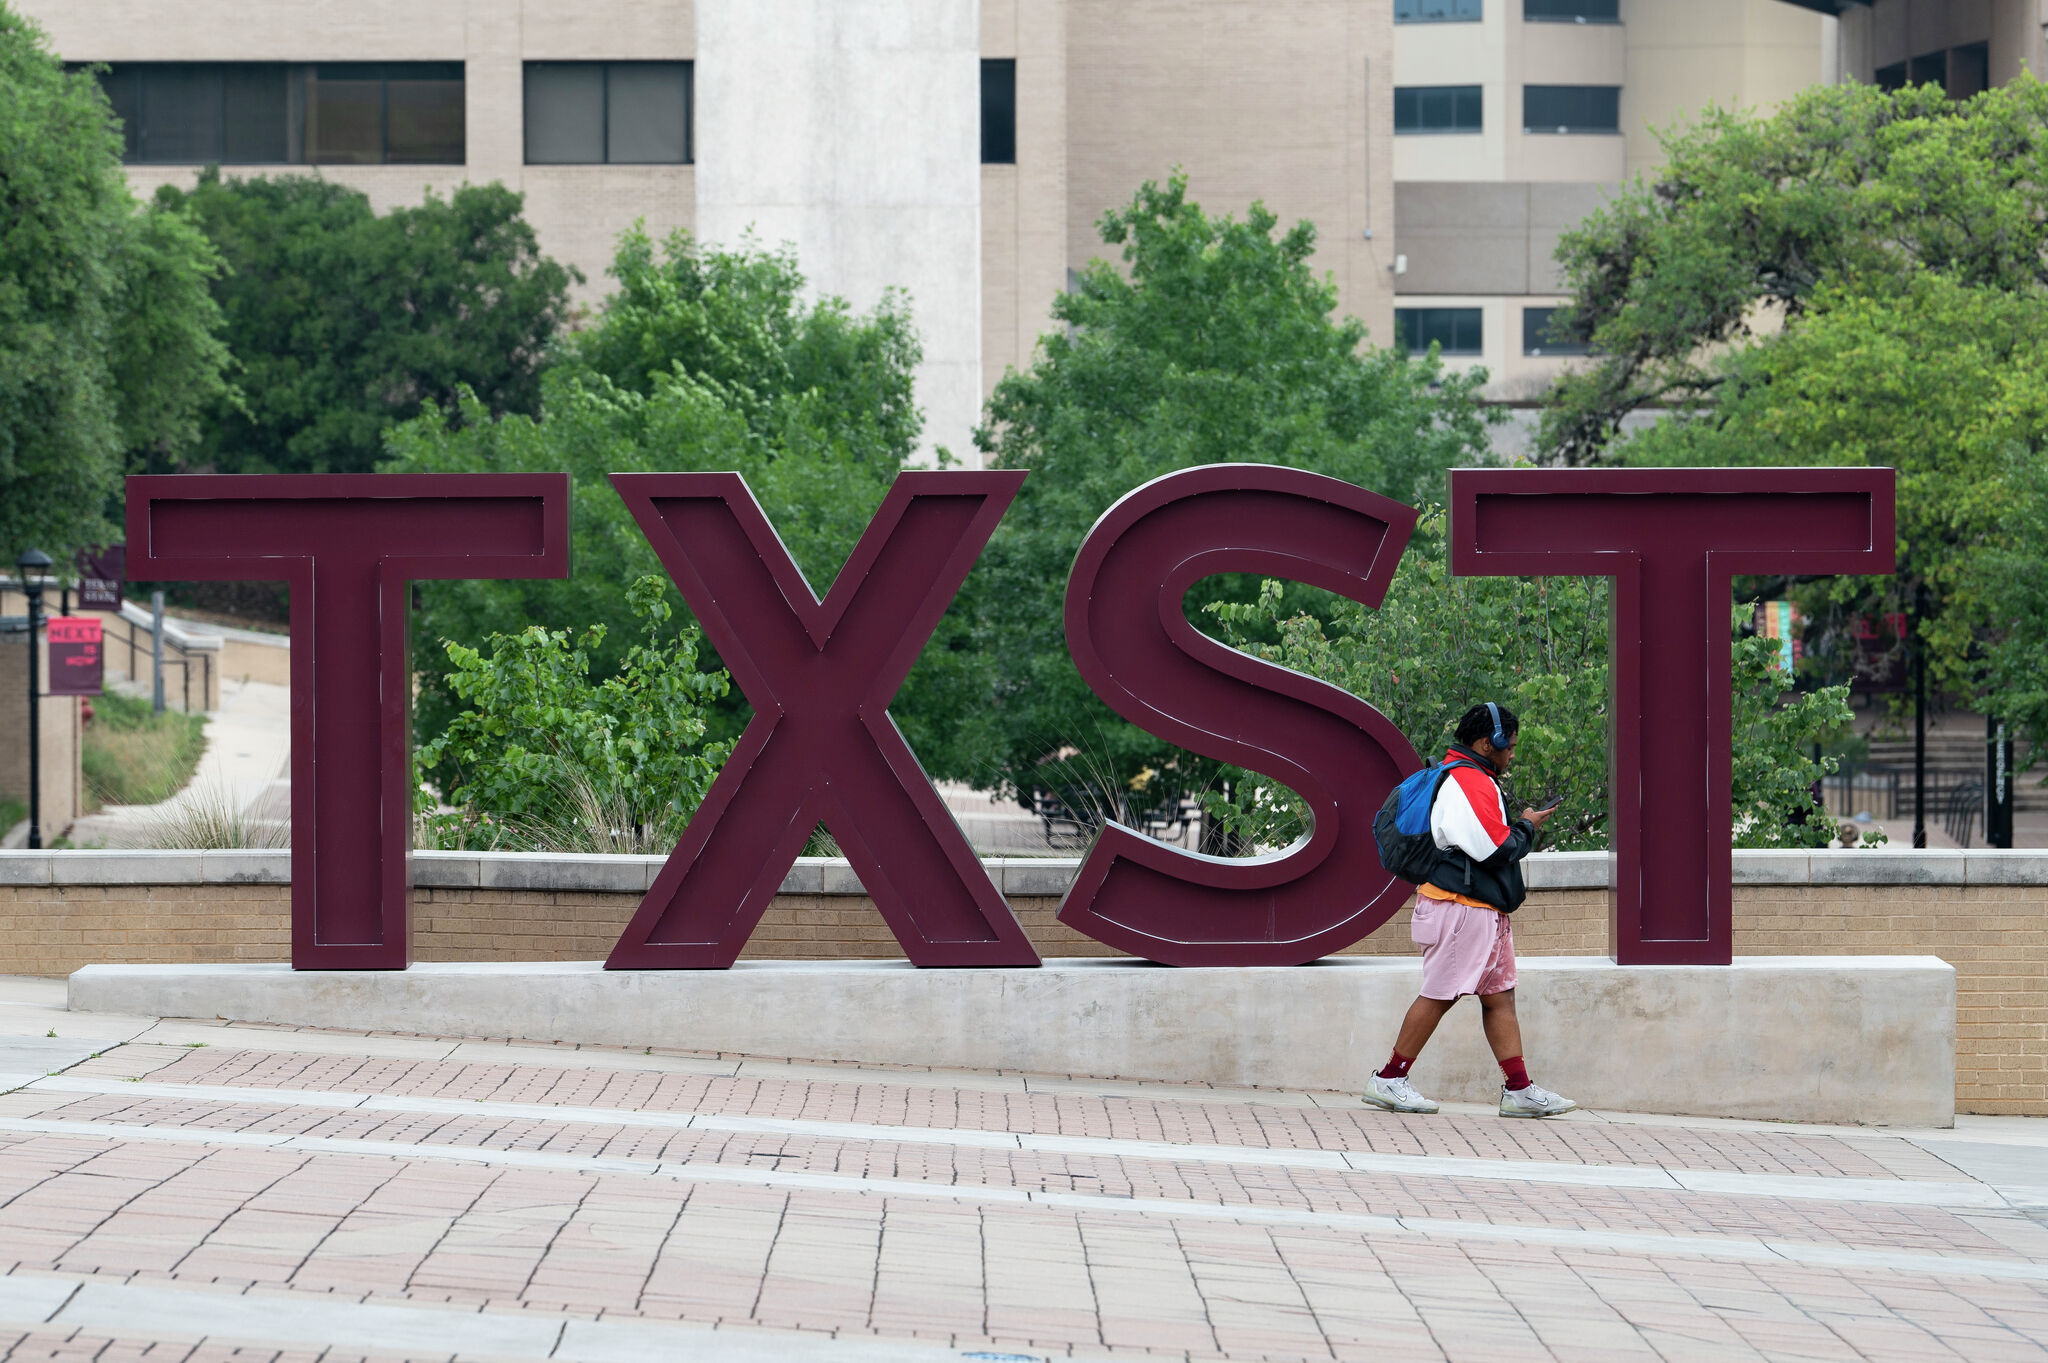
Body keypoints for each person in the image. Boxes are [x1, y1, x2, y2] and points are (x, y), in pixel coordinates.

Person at [1362, 702, 1577, 1119]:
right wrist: (1527, 825)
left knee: (1499, 997)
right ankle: (1389, 1078)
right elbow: (1495, 848)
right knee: (1440, 994)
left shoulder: (1468, 776)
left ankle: (1519, 1090)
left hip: (1479, 909)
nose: (1512, 753)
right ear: (1486, 742)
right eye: (1509, 746)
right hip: (1458, 909)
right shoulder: (1470, 780)